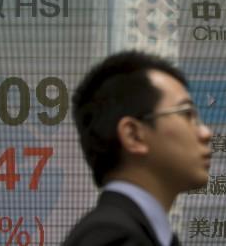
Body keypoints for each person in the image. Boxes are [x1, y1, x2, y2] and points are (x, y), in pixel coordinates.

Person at [62, 50, 213, 246]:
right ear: (133, 135)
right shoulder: (114, 237)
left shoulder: (134, 232)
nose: (205, 133)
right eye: (187, 114)